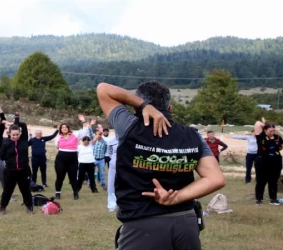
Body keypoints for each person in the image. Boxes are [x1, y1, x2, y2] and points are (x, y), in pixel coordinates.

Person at [97, 81, 226, 250]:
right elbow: (216, 178)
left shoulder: (128, 126)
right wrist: (177, 197)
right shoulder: (193, 136)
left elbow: (103, 89)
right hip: (186, 224)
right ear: (170, 109)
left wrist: (144, 105)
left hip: (141, 224)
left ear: (136, 109)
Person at [0, 123, 33, 215]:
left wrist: (15, 121)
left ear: (20, 133)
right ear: (9, 133)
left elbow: (24, 125)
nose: (15, 136)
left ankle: (29, 207)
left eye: (17, 134)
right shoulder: (6, 143)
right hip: (10, 171)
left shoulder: (24, 140)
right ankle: (3, 207)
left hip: (24, 170)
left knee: (26, 190)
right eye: (13, 135)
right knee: (7, 190)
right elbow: (1, 156)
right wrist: (10, 160)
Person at [54, 115, 89, 200]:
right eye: (62, 127)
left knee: (73, 177)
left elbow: (85, 131)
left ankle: (75, 193)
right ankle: (58, 193)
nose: (64, 128)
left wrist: (83, 121)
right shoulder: (58, 137)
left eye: (66, 127)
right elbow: (57, 147)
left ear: (68, 128)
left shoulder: (75, 134)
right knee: (60, 177)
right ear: (60, 129)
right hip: (61, 160)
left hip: (72, 160)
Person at [253, 118, 283, 206]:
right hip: (262, 162)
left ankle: (273, 199)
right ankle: (259, 199)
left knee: (273, 181)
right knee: (261, 181)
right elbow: (257, 123)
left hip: (276, 162)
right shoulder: (260, 136)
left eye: (274, 130)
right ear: (265, 130)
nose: (272, 132)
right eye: (270, 131)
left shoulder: (278, 137)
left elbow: (281, 147)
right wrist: (264, 124)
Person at [77, 120, 98, 193]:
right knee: (80, 177)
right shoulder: (79, 146)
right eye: (85, 142)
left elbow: (96, 137)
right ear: (82, 141)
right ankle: (77, 189)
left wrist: (91, 126)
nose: (86, 143)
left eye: (87, 142)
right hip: (82, 163)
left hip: (90, 163)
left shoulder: (91, 145)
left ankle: (94, 189)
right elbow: (76, 154)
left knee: (91, 177)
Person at [107, 134, 119, 212]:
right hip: (114, 165)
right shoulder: (111, 140)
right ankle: (112, 205)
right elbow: (110, 152)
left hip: (126, 165)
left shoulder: (128, 137)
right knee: (111, 185)